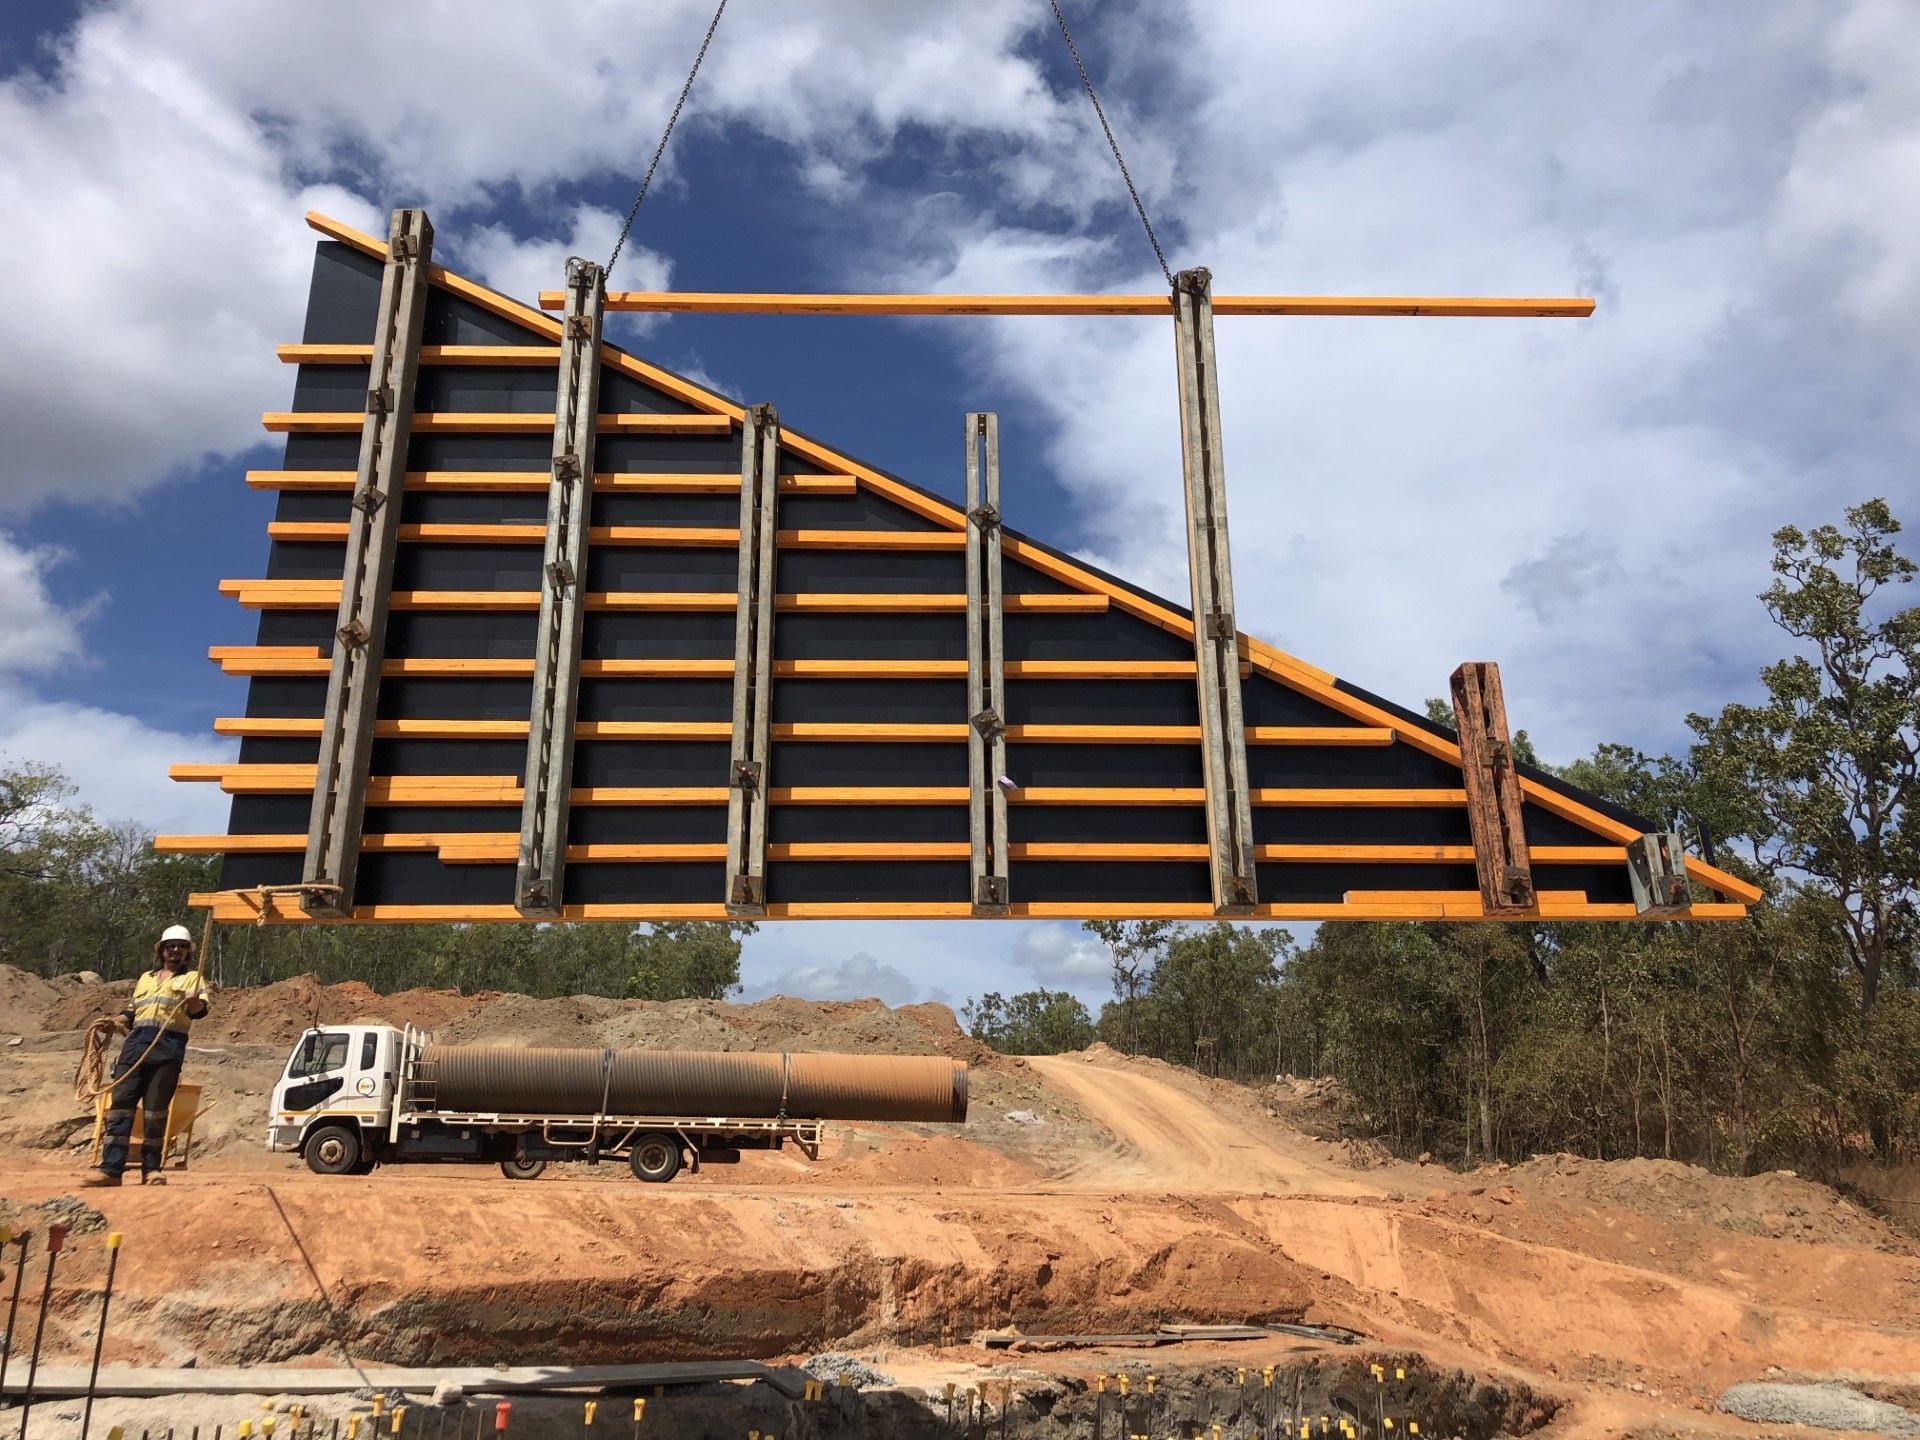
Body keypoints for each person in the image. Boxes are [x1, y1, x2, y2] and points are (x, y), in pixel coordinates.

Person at [82, 924, 211, 1187]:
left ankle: (151, 1170)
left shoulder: (193, 979)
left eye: (181, 947)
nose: (176, 951)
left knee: (155, 1113)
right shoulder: (146, 978)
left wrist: (193, 1001)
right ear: (162, 950)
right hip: (135, 1047)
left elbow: (199, 1012)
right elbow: (132, 1012)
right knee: (120, 1109)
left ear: (187, 953)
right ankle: (111, 1169)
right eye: (171, 946)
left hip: (167, 1049)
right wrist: (114, 1020)